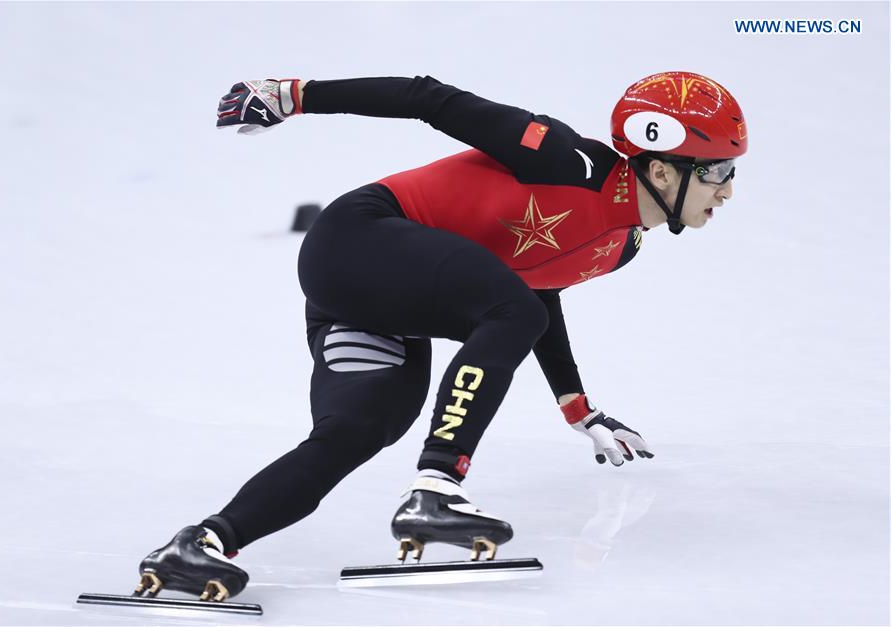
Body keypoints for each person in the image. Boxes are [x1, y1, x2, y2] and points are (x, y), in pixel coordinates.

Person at [134, 72, 747, 601]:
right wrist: (293, 95)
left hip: (379, 297)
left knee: (358, 430)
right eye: (718, 170)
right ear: (663, 169)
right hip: (359, 238)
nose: (727, 189)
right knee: (511, 311)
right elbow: (431, 98)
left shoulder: (621, 248)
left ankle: (201, 543)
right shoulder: (564, 157)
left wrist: (579, 410)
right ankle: (436, 487)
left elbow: (536, 293)